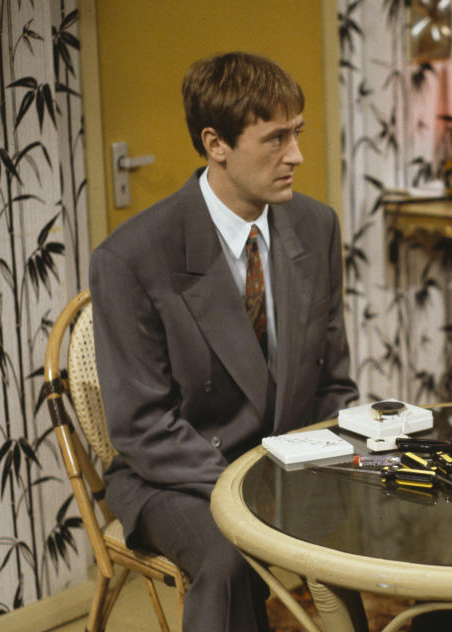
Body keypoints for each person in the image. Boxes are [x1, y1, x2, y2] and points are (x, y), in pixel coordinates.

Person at [90, 52, 358, 632]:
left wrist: (345, 458)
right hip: (177, 475)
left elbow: (334, 382)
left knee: (386, 509)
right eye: (276, 138)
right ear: (216, 144)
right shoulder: (131, 258)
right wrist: (252, 487)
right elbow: (142, 427)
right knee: (226, 557)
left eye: (298, 133)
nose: (297, 156)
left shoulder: (316, 226)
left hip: (285, 462)